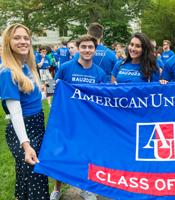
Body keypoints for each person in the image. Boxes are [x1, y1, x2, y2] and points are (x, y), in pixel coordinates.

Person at [51, 35, 105, 200]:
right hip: (67, 119)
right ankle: (57, 189)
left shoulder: (100, 72)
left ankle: (84, 187)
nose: (87, 50)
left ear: (95, 50)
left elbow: (102, 99)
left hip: (88, 122)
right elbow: (54, 90)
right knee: (62, 153)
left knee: (86, 154)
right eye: (84, 47)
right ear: (77, 48)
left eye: (90, 47)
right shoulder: (66, 67)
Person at [0, 23, 49, 199]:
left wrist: (52, 91)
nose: (23, 41)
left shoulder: (27, 66)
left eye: (26, 38)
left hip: (36, 124)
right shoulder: (7, 72)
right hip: (23, 130)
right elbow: (15, 113)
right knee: (35, 177)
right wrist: (26, 146)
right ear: (8, 42)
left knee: (27, 176)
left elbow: (34, 98)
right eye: (17, 37)